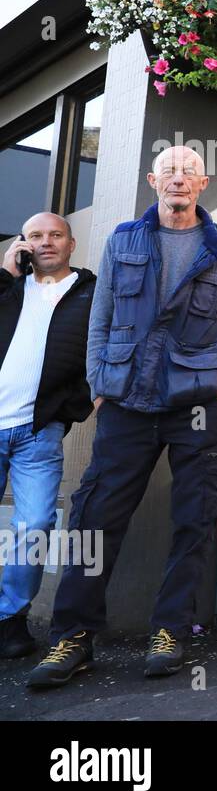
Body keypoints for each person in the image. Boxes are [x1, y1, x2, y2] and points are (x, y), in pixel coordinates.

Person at [28, 145, 217, 688]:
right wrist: (100, 385)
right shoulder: (124, 239)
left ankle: (171, 628)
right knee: (94, 518)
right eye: (169, 171)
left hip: (199, 404)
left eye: (189, 172)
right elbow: (101, 315)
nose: (178, 179)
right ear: (154, 180)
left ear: (203, 183)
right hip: (127, 400)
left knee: (195, 519)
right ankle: (73, 636)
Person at [0, 214, 96, 658]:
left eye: (55, 235)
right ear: (23, 244)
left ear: (71, 243)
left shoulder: (91, 293)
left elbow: (108, 347)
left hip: (38, 433)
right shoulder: (9, 290)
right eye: (35, 236)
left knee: (34, 525)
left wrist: (81, 404)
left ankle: (9, 619)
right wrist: (5, 274)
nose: (46, 243)